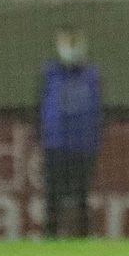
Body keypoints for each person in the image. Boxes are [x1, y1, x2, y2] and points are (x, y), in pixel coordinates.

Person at [38, 28, 102, 238]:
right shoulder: (49, 74)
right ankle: (50, 235)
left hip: (83, 145)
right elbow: (40, 107)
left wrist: (96, 138)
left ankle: (83, 235)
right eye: (67, 43)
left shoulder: (92, 75)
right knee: (52, 195)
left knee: (82, 194)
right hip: (55, 144)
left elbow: (100, 110)